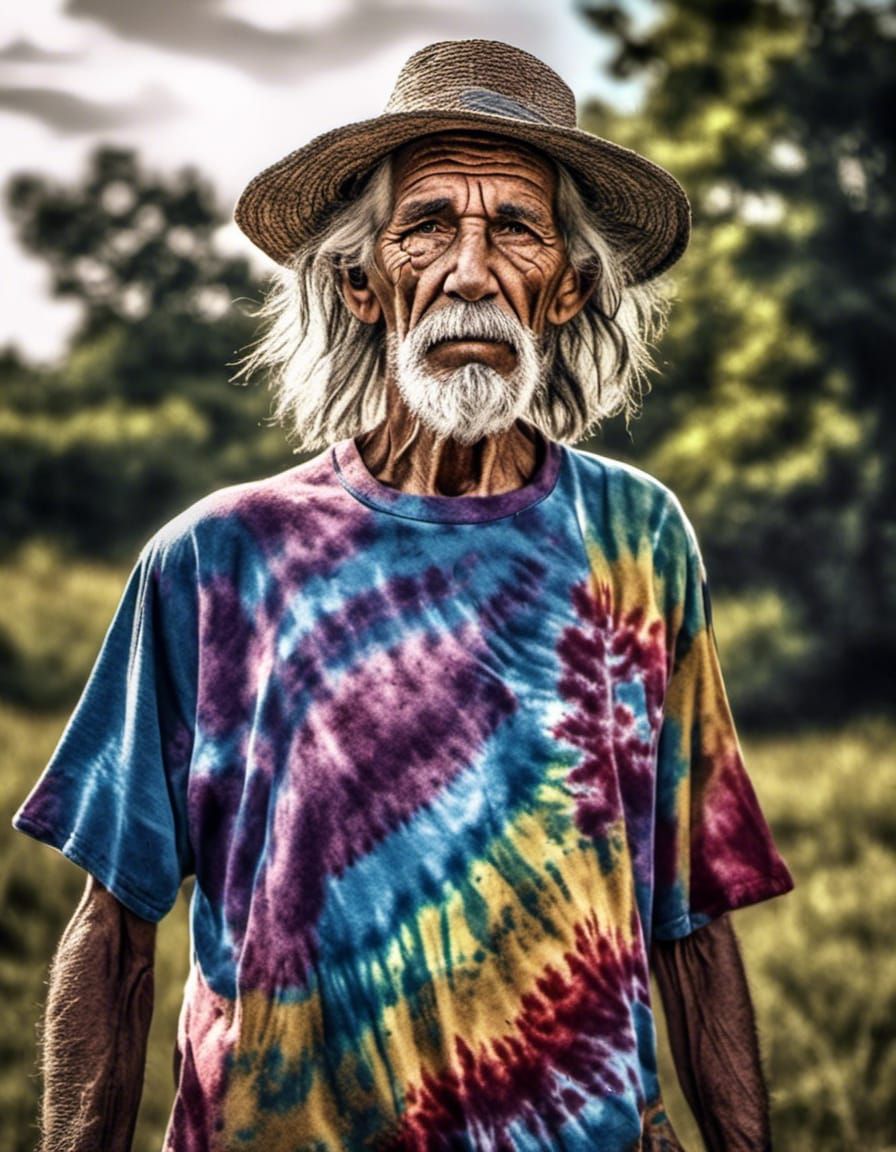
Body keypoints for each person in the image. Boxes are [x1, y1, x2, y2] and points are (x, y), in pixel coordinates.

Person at [14, 39, 793, 1152]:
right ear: (362, 282)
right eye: (427, 224)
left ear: (567, 288)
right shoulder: (216, 561)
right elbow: (114, 928)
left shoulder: (636, 541)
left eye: (514, 229)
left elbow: (689, 910)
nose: (469, 270)